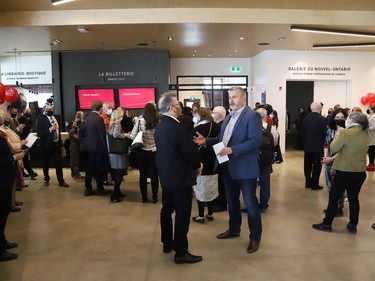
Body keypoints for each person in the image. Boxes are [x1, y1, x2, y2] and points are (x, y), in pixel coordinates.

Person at [194, 86, 263, 254]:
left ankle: (255, 237)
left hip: (245, 169)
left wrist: (233, 150)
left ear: (243, 99)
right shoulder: (227, 117)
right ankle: (234, 229)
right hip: (227, 167)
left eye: (234, 97)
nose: (231, 100)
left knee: (250, 204)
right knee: (231, 202)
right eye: (230, 97)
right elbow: (221, 139)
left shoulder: (252, 116)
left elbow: (255, 141)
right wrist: (206, 141)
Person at [155, 92, 203, 264]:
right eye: (178, 105)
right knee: (183, 215)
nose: (180, 108)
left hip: (167, 177)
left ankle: (167, 242)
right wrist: (198, 165)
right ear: (171, 108)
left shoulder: (160, 126)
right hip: (180, 178)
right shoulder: (177, 128)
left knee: (167, 210)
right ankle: (181, 252)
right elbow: (189, 152)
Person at [313, 112, 369, 233]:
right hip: (359, 171)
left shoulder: (345, 132)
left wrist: (338, 135)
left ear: (352, 120)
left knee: (333, 197)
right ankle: (353, 225)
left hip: (344, 171)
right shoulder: (366, 132)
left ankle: (327, 223)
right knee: (354, 199)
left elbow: (333, 147)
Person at [0, 117, 26, 261]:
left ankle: (2, 241)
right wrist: (14, 158)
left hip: (5, 179)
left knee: (4, 214)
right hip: (2, 180)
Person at [191, 107, 220, 223]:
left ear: (199, 115)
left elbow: (191, 146)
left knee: (201, 188)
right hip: (215, 161)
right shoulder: (217, 126)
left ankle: (201, 215)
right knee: (211, 187)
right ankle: (210, 213)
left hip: (201, 161)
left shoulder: (197, 128)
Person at [127, 103, 159, 203]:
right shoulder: (158, 121)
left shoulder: (140, 121)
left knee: (143, 175)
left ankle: (144, 198)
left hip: (141, 151)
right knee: (154, 175)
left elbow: (132, 136)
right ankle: (154, 197)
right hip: (154, 151)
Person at [321, 108, 348, 217]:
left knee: (339, 187)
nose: (339, 119)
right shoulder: (330, 130)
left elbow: (344, 150)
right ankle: (332, 206)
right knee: (330, 186)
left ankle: (338, 207)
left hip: (340, 162)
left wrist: (331, 159)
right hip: (328, 162)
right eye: (337, 117)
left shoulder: (346, 132)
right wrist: (326, 157)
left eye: (342, 117)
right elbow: (326, 144)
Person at [36, 104, 69, 188]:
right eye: (48, 109)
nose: (50, 111)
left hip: (56, 144)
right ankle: (46, 179)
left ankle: (61, 181)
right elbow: (39, 133)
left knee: (58, 162)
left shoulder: (56, 117)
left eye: (51, 109)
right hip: (45, 145)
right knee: (45, 163)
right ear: (44, 110)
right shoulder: (41, 118)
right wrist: (50, 129)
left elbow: (59, 129)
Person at [82, 100, 110, 196]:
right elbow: (102, 135)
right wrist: (106, 149)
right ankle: (100, 188)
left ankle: (88, 188)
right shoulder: (99, 119)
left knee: (90, 168)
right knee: (99, 168)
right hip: (98, 147)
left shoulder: (87, 118)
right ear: (101, 108)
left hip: (89, 147)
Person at [300, 102, 327, 190]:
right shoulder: (322, 119)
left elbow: (302, 132)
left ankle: (308, 182)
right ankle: (315, 184)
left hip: (307, 146)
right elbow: (324, 133)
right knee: (317, 166)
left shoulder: (305, 119)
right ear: (319, 108)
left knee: (307, 165)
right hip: (318, 146)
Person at [256, 108, 278, 212]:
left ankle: (252, 203)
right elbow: (275, 143)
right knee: (265, 180)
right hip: (267, 157)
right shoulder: (272, 128)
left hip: (253, 157)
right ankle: (264, 204)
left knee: (251, 181)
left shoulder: (252, 127)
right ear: (266, 116)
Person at [108, 108, 127, 203]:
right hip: (118, 153)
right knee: (120, 173)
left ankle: (117, 192)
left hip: (112, 152)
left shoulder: (111, 124)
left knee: (116, 174)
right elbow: (116, 135)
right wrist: (126, 135)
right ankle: (114, 195)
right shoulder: (118, 124)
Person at [211, 106, 228, 212]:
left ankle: (222, 203)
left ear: (220, 115)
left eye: (214, 112)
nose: (212, 114)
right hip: (220, 156)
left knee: (222, 181)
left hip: (221, 156)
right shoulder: (220, 125)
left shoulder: (221, 126)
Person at [18, 108, 38, 179]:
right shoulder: (21, 119)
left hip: (27, 140)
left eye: (30, 112)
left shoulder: (28, 119)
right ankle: (30, 172)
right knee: (25, 157)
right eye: (28, 112)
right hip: (23, 140)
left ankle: (25, 172)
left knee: (25, 157)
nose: (30, 113)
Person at [366, 106, 375, 171]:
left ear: (372, 110)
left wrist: (369, 129)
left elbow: (374, 126)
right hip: (370, 136)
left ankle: (372, 163)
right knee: (370, 150)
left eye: (369, 109)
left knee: (372, 150)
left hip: (372, 136)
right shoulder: (370, 117)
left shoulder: (374, 117)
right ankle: (371, 163)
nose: (368, 110)